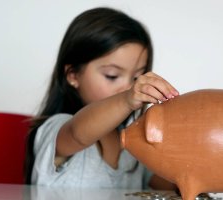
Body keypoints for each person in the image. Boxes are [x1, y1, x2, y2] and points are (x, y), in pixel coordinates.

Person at [24, 7, 179, 190]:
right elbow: (77, 134)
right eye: (112, 76)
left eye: (136, 77)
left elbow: (162, 181)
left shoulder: (132, 144)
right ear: (73, 75)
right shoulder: (58, 128)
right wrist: (126, 99)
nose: (128, 87)